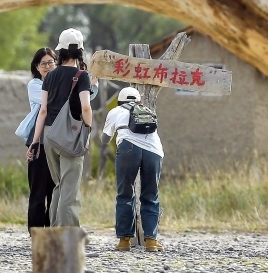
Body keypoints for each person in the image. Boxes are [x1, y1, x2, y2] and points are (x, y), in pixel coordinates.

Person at [28, 29, 92, 227]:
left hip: (49, 136)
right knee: (70, 191)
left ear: (61, 51)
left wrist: (35, 141)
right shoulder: (82, 76)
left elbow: (43, 111)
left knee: (58, 186)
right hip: (70, 137)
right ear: (80, 51)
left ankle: (56, 232)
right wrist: (87, 129)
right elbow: (86, 107)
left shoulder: (49, 76)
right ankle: (68, 237)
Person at [101, 87, 164, 252]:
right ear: (138, 101)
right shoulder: (146, 110)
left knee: (125, 193)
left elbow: (105, 139)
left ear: (120, 100)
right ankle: (151, 241)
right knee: (151, 194)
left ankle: (124, 241)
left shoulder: (115, 111)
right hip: (154, 151)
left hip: (128, 149)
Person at [19, 48, 57, 229]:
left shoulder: (60, 83)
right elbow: (49, 103)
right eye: (44, 63)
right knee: (38, 190)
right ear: (37, 66)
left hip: (57, 141)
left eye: (51, 62)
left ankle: (49, 231)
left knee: (54, 190)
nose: (48, 66)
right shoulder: (34, 84)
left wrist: (92, 85)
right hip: (38, 141)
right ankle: (35, 231)